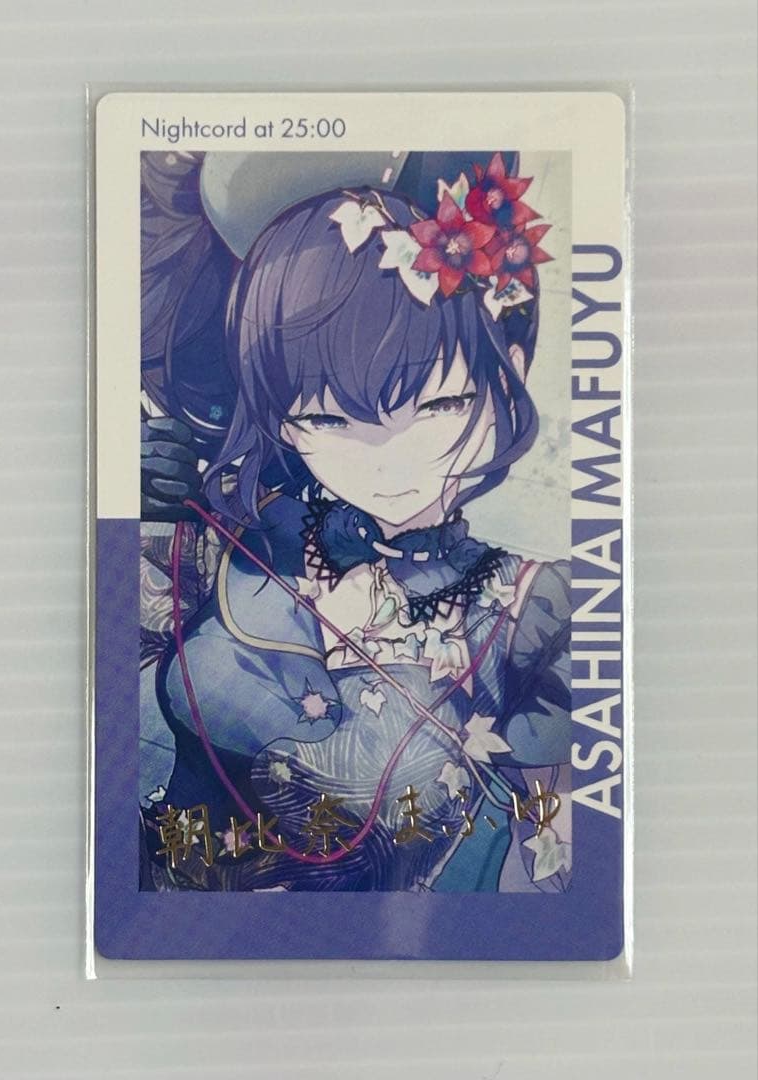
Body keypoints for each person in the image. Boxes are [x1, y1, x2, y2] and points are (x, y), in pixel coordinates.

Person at [138, 154, 571, 893]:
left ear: (511, 370)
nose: (385, 459)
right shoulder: (243, 529)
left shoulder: (535, 609)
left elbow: (553, 868)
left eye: (438, 406)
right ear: (279, 417)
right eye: (327, 419)